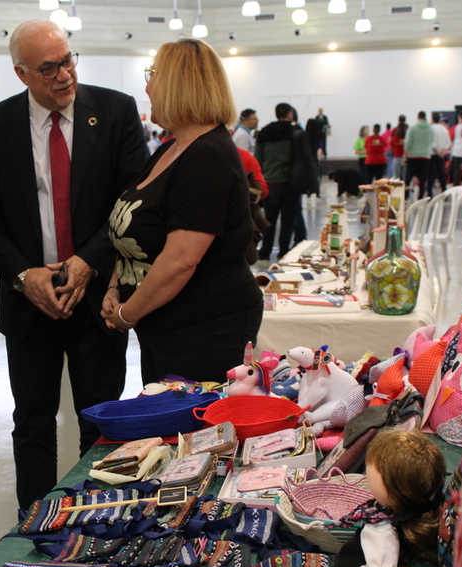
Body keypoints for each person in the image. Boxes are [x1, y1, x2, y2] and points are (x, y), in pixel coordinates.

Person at [0, 20, 148, 510]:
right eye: (47, 68)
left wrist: (88, 262)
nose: (64, 75)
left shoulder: (115, 111)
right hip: (31, 302)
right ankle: (35, 525)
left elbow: (131, 200)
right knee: (31, 423)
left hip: (97, 300)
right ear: (21, 73)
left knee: (99, 423)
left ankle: (96, 521)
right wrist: (22, 275)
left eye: (68, 60)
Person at [100, 38, 263, 385]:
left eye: (153, 75)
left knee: (192, 432)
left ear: (177, 84)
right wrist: (116, 287)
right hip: (164, 322)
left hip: (203, 326)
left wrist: (127, 313)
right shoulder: (171, 150)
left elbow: (180, 261)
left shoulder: (207, 156)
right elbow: (137, 233)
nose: (147, 86)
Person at [246, 429, 446, 567]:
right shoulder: (392, 514)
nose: (368, 470)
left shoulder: (384, 529)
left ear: (391, 483)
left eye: (373, 468)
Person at [256, 102, 319, 259]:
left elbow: (258, 159)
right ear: (290, 114)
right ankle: (283, 251)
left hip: (270, 183)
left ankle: (265, 250)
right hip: (290, 183)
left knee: (269, 220)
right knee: (288, 220)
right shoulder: (294, 131)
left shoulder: (264, 132)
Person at [404, 111, 433, 199]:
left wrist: (405, 156)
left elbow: (408, 143)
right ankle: (421, 196)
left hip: (413, 156)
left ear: (418, 117)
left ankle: (405, 195)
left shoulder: (412, 128)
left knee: (408, 178)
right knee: (423, 179)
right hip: (425, 156)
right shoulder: (430, 128)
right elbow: (431, 140)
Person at [429, 112, 451, 195]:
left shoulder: (430, 129)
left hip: (432, 154)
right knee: (441, 174)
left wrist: (436, 150)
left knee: (431, 175)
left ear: (432, 119)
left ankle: (430, 193)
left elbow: (430, 141)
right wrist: (443, 150)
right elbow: (448, 142)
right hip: (441, 154)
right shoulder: (444, 129)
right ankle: (444, 190)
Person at [391, 115, 407, 180]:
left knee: (396, 178)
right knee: (405, 178)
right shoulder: (408, 129)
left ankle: (396, 190)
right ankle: (405, 190)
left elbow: (391, 147)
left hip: (396, 156)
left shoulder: (394, 130)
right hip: (405, 157)